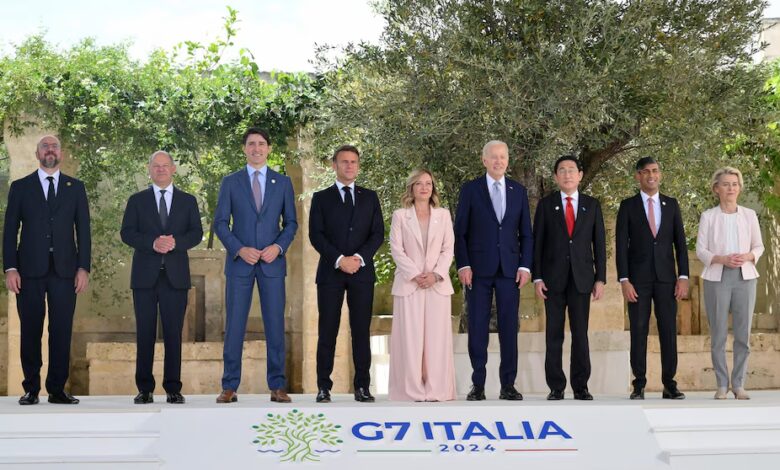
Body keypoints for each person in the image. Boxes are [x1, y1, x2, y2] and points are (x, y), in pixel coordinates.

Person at [3, 135, 90, 405]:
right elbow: (9, 232)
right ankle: (31, 388)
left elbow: (84, 232)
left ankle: (57, 389)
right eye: (45, 147)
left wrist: (83, 267)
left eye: (54, 147)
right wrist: (10, 268)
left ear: (60, 153)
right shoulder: (21, 187)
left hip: (65, 271)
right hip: (28, 270)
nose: (50, 150)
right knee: (30, 328)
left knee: (61, 330)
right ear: (37, 153)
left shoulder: (75, 188)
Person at [213, 128, 298, 404]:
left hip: (272, 264)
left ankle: (277, 386)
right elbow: (220, 224)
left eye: (262, 144)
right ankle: (229, 386)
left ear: (269, 149)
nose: (257, 148)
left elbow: (292, 223)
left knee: (275, 325)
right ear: (244, 149)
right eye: (251, 144)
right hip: (240, 265)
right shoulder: (230, 182)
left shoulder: (283, 183)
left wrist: (278, 247)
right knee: (235, 325)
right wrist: (239, 249)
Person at [120, 150, 203, 405]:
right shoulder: (137, 200)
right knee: (144, 333)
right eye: (156, 166)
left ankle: (173, 388)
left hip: (176, 278)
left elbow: (196, 234)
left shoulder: (188, 201)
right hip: (144, 278)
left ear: (173, 169)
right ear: (149, 169)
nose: (161, 170)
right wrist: (152, 242)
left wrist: (175, 242)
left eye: (165, 166)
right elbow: (127, 233)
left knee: (173, 334)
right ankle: (144, 388)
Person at [454, 140, 533, 401]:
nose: (499, 161)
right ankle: (478, 385)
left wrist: (524, 266)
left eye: (503, 157)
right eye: (493, 157)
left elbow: (526, 234)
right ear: (484, 160)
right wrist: (463, 264)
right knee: (477, 327)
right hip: (477, 271)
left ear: (508, 160)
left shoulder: (518, 191)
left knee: (510, 328)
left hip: (510, 271)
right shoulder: (470, 190)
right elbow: (460, 233)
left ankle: (508, 385)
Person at [309, 145, 384, 403]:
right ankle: (323, 386)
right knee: (327, 330)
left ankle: (362, 386)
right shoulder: (321, 198)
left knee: (361, 330)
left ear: (358, 166)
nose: (349, 166)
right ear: (334, 165)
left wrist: (359, 259)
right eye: (344, 162)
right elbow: (315, 235)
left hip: (362, 273)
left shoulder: (370, 198)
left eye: (353, 162)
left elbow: (378, 234)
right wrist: (340, 260)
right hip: (331, 273)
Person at [532, 156, 606, 401]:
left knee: (580, 334)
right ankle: (556, 386)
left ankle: (581, 386)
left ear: (580, 175)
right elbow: (538, 245)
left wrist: (600, 279)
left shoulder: (592, 205)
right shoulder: (546, 205)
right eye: (562, 170)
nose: (567, 174)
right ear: (555, 176)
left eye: (571, 170)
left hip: (583, 279)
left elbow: (600, 245)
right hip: (552, 280)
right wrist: (537, 277)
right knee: (554, 334)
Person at [616, 157, 688, 400]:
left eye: (655, 171)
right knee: (638, 330)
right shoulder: (627, 206)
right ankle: (639, 384)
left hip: (667, 280)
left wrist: (683, 276)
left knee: (668, 330)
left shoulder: (672, 204)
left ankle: (670, 384)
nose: (651, 175)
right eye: (645, 172)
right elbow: (621, 246)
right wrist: (624, 280)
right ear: (638, 176)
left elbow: (680, 244)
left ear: (660, 174)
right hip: (638, 281)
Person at [388, 169, 456, 402]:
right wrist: (417, 275)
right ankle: (410, 391)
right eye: (419, 183)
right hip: (409, 285)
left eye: (428, 183)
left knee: (436, 341)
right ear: (412, 188)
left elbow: (449, 249)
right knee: (410, 340)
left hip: (437, 286)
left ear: (433, 188)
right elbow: (396, 249)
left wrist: (436, 274)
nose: (424, 187)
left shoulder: (444, 215)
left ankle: (437, 390)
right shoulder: (400, 215)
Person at [696, 167, 763, 400]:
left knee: (743, 333)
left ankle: (739, 384)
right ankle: (722, 384)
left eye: (734, 184)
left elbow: (759, 246)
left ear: (740, 188)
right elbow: (701, 249)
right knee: (719, 334)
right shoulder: (708, 216)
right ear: (716, 189)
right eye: (725, 184)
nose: (731, 188)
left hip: (746, 278)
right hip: (717, 278)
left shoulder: (749, 215)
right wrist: (721, 259)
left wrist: (748, 256)